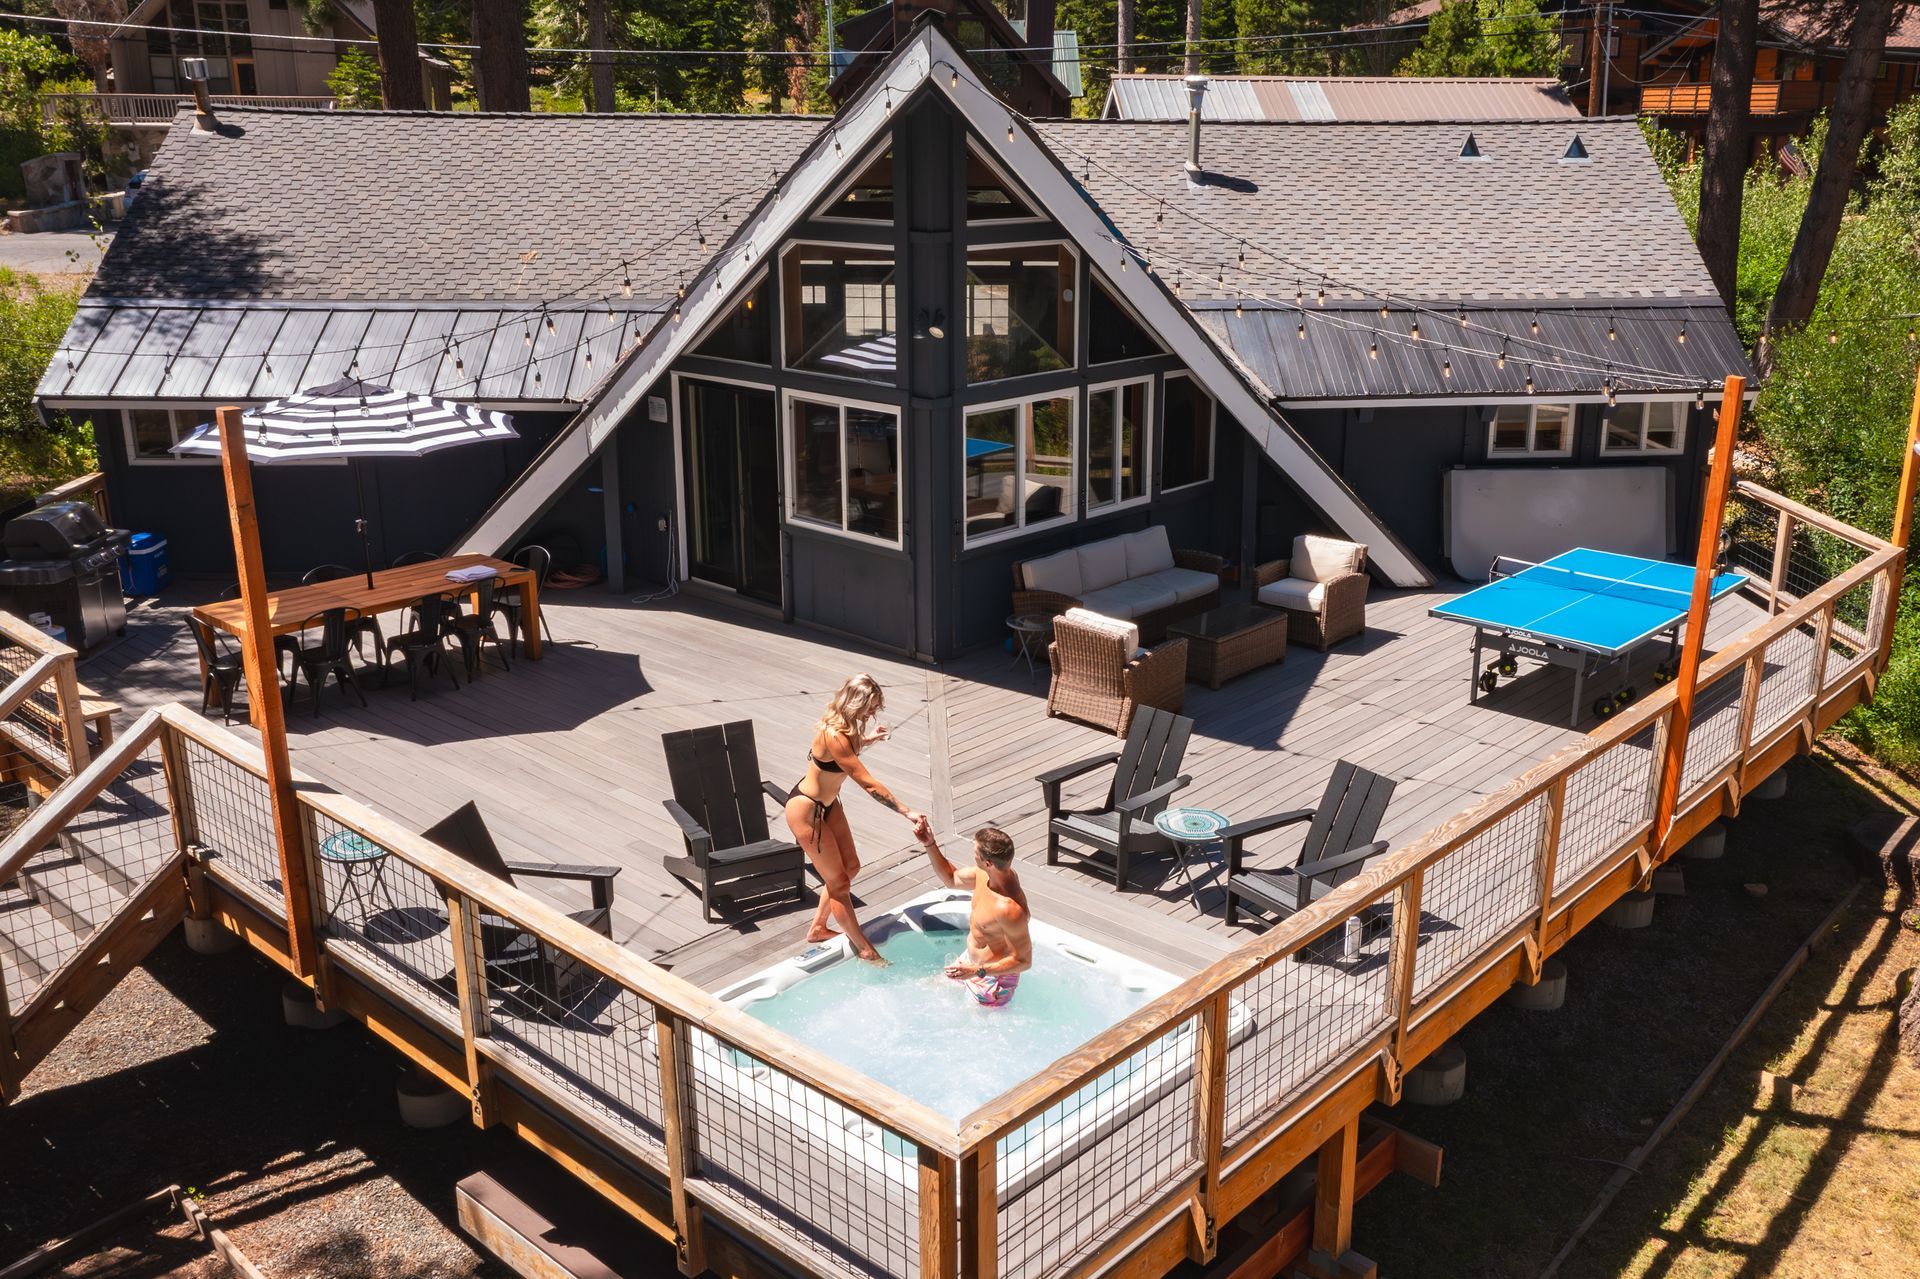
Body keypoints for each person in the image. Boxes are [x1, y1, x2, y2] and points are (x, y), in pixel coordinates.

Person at [785, 674, 928, 965]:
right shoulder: (833, 734)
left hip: (829, 804)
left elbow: (844, 753)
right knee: (839, 883)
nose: (874, 711)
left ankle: (818, 928)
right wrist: (906, 811)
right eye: (871, 705)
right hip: (806, 810)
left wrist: (869, 738)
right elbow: (868, 783)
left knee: (851, 867)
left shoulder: (847, 729)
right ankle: (865, 950)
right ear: (855, 703)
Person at [917, 825, 1033, 1007]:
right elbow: (951, 878)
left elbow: (1024, 961)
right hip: (970, 963)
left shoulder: (1009, 909)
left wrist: (977, 971)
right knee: (928, 989)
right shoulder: (984, 874)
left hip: (991, 979)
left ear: (988, 863)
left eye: (975, 853)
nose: (973, 856)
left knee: (975, 1023)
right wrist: (930, 844)